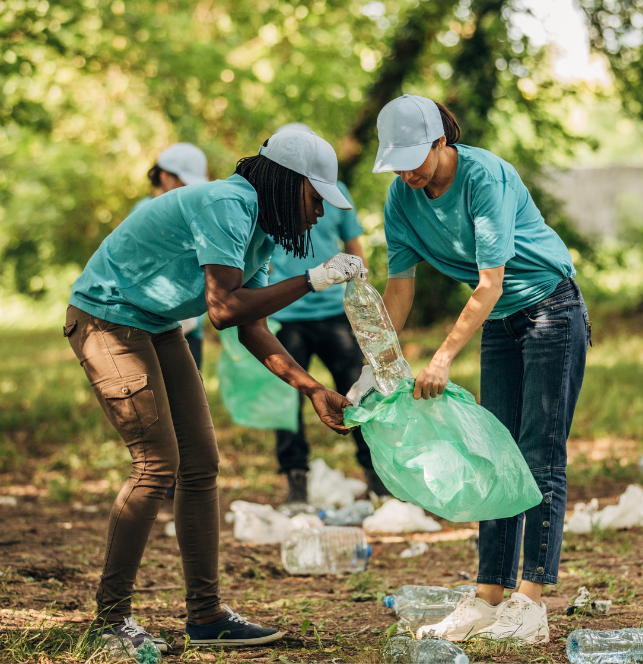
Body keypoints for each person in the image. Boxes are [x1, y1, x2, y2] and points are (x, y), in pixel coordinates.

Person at [64, 130, 363, 654]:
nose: (319, 214)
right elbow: (223, 310)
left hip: (156, 323)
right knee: (156, 464)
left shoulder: (262, 229)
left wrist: (313, 389)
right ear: (287, 183)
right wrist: (313, 279)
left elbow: (252, 327)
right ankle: (109, 621)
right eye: (315, 198)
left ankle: (205, 616)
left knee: (200, 462)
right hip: (106, 316)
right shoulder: (229, 203)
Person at [373, 95, 589, 644]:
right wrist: (375, 363)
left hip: (550, 308)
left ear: (440, 141)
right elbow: (399, 287)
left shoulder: (483, 176)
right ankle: (489, 597)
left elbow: (490, 282)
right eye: (396, 164)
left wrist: (442, 356)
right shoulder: (401, 198)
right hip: (500, 321)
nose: (406, 173)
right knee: (494, 454)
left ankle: (531, 603)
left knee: (540, 455)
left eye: (414, 159)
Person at [265, 122, 388, 504]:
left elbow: (353, 244)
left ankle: (377, 478)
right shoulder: (273, 199)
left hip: (335, 312)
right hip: (287, 316)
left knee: (359, 392)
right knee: (286, 400)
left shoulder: (337, 191)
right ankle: (296, 480)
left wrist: (361, 290)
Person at [134, 142, 211, 368]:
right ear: (165, 177)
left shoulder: (191, 212)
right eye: (185, 183)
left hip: (189, 329)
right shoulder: (144, 212)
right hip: (151, 330)